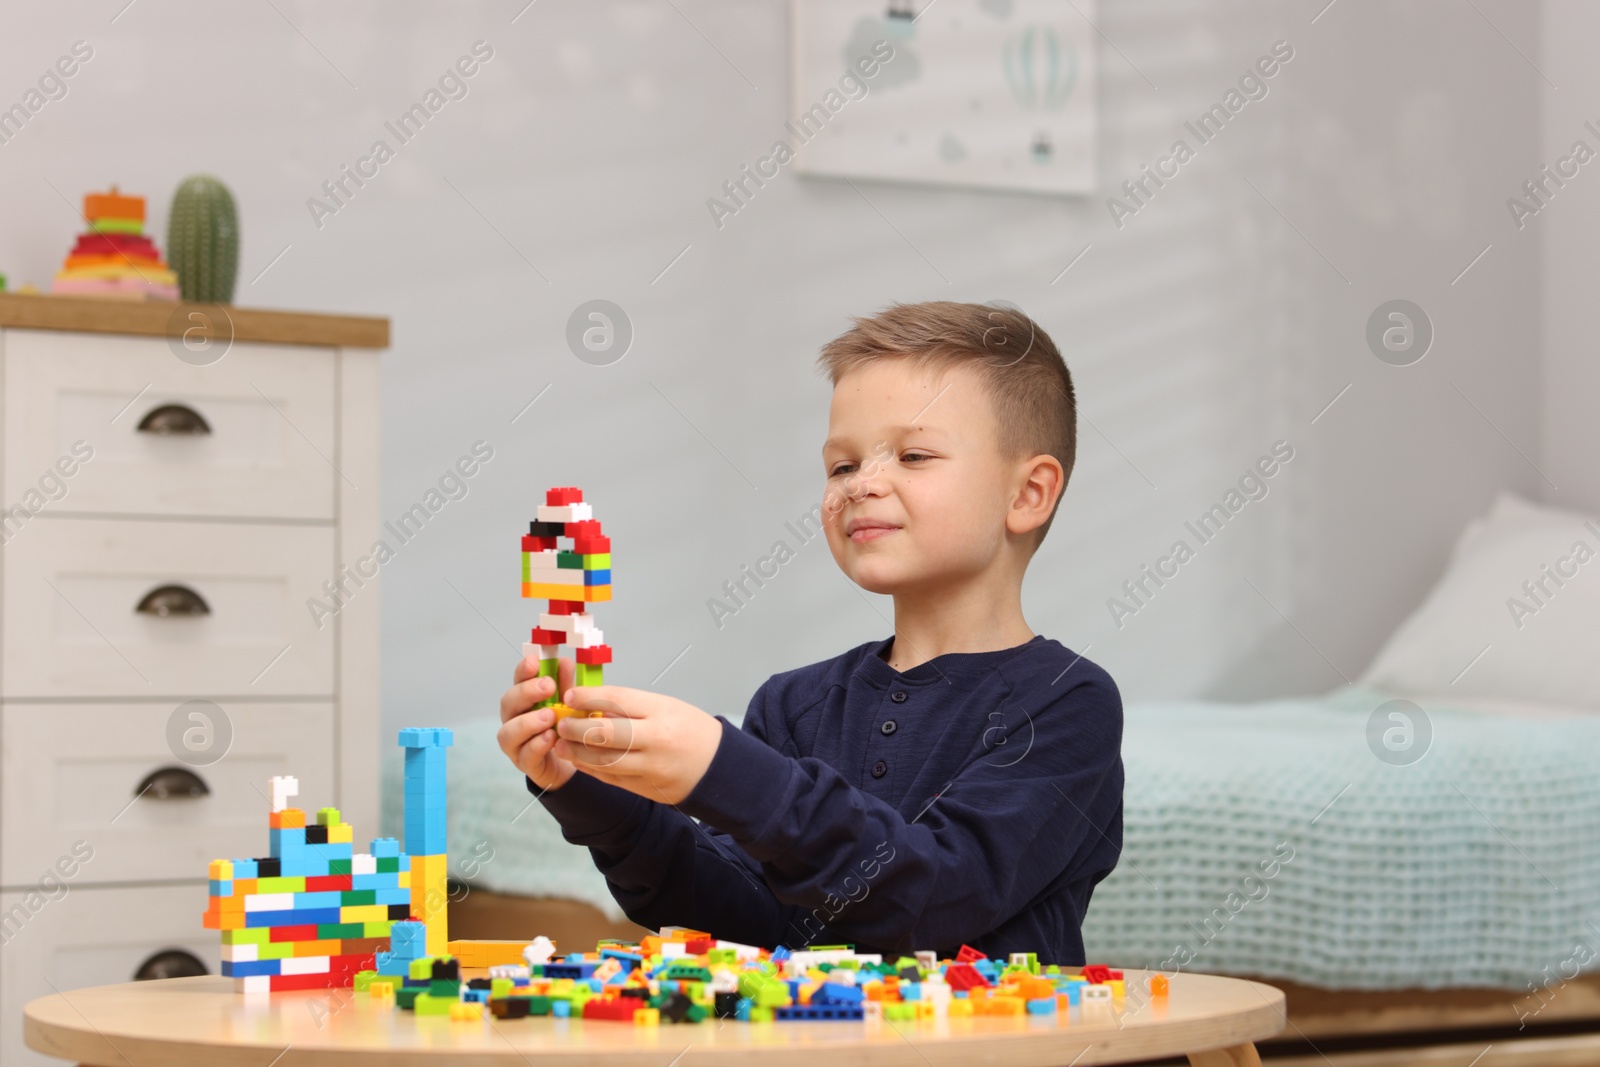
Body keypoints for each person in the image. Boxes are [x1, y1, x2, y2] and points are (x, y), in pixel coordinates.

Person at [497, 300, 1123, 963]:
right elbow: (746, 920)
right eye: (842, 465)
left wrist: (726, 769)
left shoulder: (1066, 703)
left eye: (912, 454)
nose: (861, 485)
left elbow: (938, 895)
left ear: (1028, 493)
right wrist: (598, 798)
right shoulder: (794, 705)